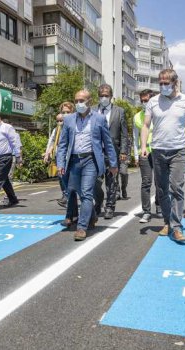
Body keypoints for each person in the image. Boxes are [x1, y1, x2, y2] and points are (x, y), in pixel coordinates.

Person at [140, 69, 185, 242]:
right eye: (160, 83)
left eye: (166, 83)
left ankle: (176, 227)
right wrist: (144, 146)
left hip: (178, 150)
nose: (163, 86)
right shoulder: (152, 101)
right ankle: (167, 221)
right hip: (158, 150)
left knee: (176, 188)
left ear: (175, 83)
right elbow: (145, 125)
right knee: (162, 190)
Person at [57, 89, 118, 241]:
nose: (79, 104)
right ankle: (91, 215)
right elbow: (63, 144)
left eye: (82, 101)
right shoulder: (69, 120)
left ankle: (81, 227)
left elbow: (108, 143)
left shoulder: (99, 118)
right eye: (76, 101)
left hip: (90, 160)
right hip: (73, 161)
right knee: (79, 192)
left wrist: (113, 163)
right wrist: (60, 163)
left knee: (86, 192)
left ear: (90, 101)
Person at [93, 84, 128, 219]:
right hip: (96, 151)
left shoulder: (119, 111)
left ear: (111, 96)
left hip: (113, 150)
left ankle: (110, 206)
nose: (104, 98)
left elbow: (124, 134)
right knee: (95, 180)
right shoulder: (92, 110)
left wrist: (124, 151)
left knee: (112, 180)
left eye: (106, 95)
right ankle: (99, 201)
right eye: (101, 95)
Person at [133, 89, 160, 223]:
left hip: (158, 151)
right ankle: (146, 211)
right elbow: (134, 136)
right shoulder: (137, 116)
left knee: (160, 182)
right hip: (144, 153)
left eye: (146, 100)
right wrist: (136, 155)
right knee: (146, 182)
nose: (144, 103)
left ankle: (159, 207)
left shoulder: (160, 114)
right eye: (142, 100)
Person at [44, 102, 74, 208]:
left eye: (68, 112)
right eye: (63, 113)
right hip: (60, 157)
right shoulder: (57, 129)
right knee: (62, 177)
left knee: (71, 179)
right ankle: (66, 196)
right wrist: (47, 153)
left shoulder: (75, 126)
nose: (60, 121)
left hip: (72, 157)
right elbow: (51, 142)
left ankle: (70, 198)